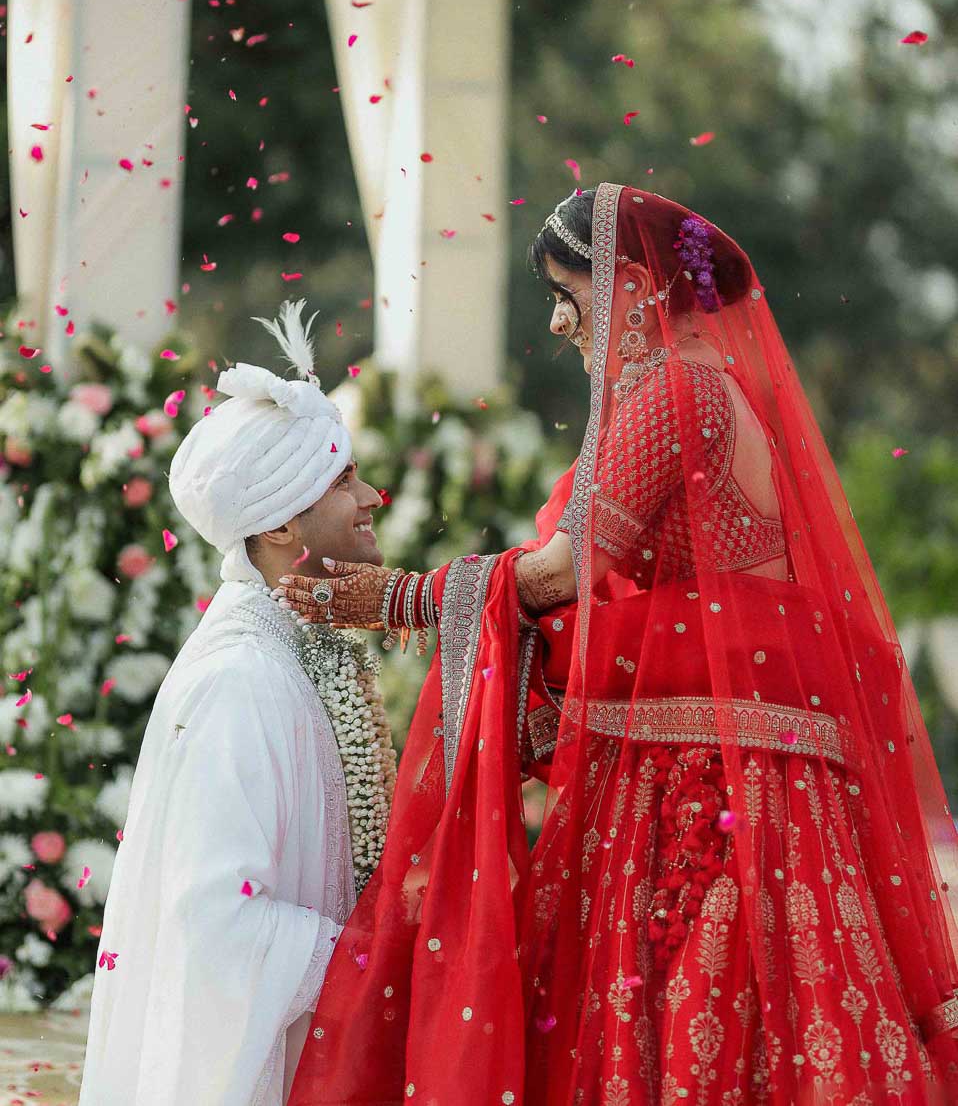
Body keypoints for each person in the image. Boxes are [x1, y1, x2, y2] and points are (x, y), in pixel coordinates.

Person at [284, 187, 958, 1104]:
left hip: (706, 768)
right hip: (748, 746)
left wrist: (397, 598)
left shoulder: (673, 391)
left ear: (636, 288)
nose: (560, 322)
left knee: (695, 988)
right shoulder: (709, 384)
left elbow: (567, 571)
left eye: (571, 294)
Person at [79, 301, 395, 1106]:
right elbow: (216, 922)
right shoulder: (243, 678)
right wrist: (379, 949)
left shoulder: (300, 645)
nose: (374, 498)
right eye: (345, 479)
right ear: (286, 522)